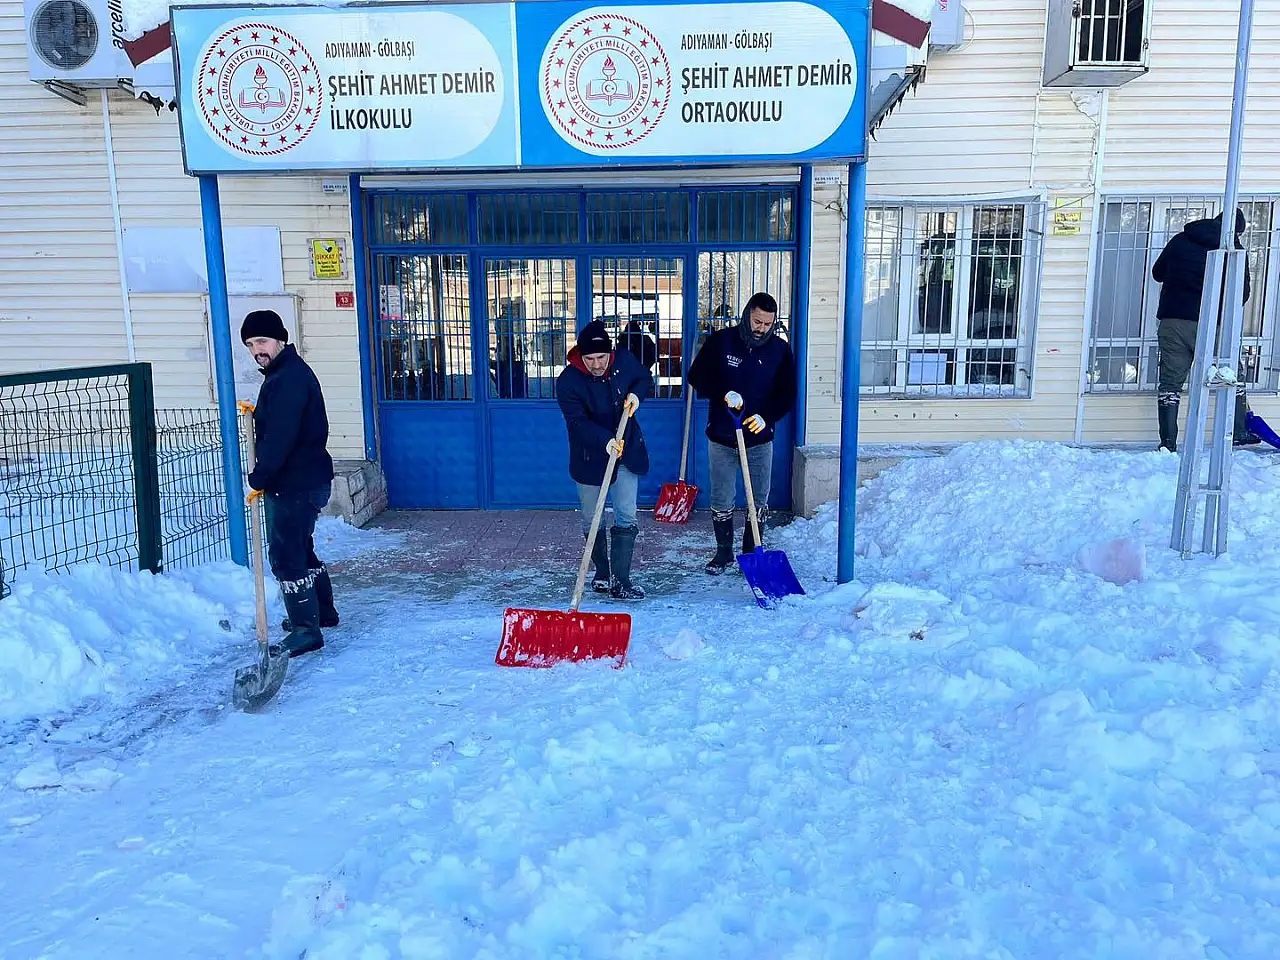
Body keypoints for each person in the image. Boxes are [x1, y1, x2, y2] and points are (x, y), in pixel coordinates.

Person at [241, 309, 337, 657]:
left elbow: (281, 436)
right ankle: (321, 612)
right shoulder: (285, 374)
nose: (257, 350)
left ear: (280, 339)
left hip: (294, 481)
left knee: (286, 554)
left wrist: (260, 476)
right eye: (251, 344)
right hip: (306, 477)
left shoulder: (286, 379)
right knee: (301, 546)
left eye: (262, 341)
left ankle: (305, 630)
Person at [687, 292, 797, 575]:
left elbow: (787, 394)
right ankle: (723, 553)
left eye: (767, 324)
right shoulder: (721, 341)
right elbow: (696, 376)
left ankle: (751, 553)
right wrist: (724, 393)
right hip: (723, 435)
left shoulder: (780, 351)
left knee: (757, 499)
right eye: (757, 321)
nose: (761, 328)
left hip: (759, 439)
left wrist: (767, 416)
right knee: (722, 498)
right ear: (747, 314)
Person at [556, 320, 653, 600]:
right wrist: (605, 441)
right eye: (590, 359)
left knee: (625, 514)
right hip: (590, 455)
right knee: (592, 517)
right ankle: (601, 571)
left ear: (609, 352)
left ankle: (621, 580)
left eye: (602, 357)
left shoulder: (623, 360)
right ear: (580, 355)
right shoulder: (569, 381)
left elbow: (643, 378)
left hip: (627, 450)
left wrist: (636, 395)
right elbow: (576, 422)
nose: (597, 364)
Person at [1152, 208, 1260, 452]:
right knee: (1231, 373)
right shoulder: (1234, 251)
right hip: (1213, 324)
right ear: (1237, 231)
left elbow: (1157, 273)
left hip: (1173, 321)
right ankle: (1239, 430)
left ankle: (1167, 443)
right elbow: (1241, 295)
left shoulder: (1180, 240)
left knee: (1170, 384)